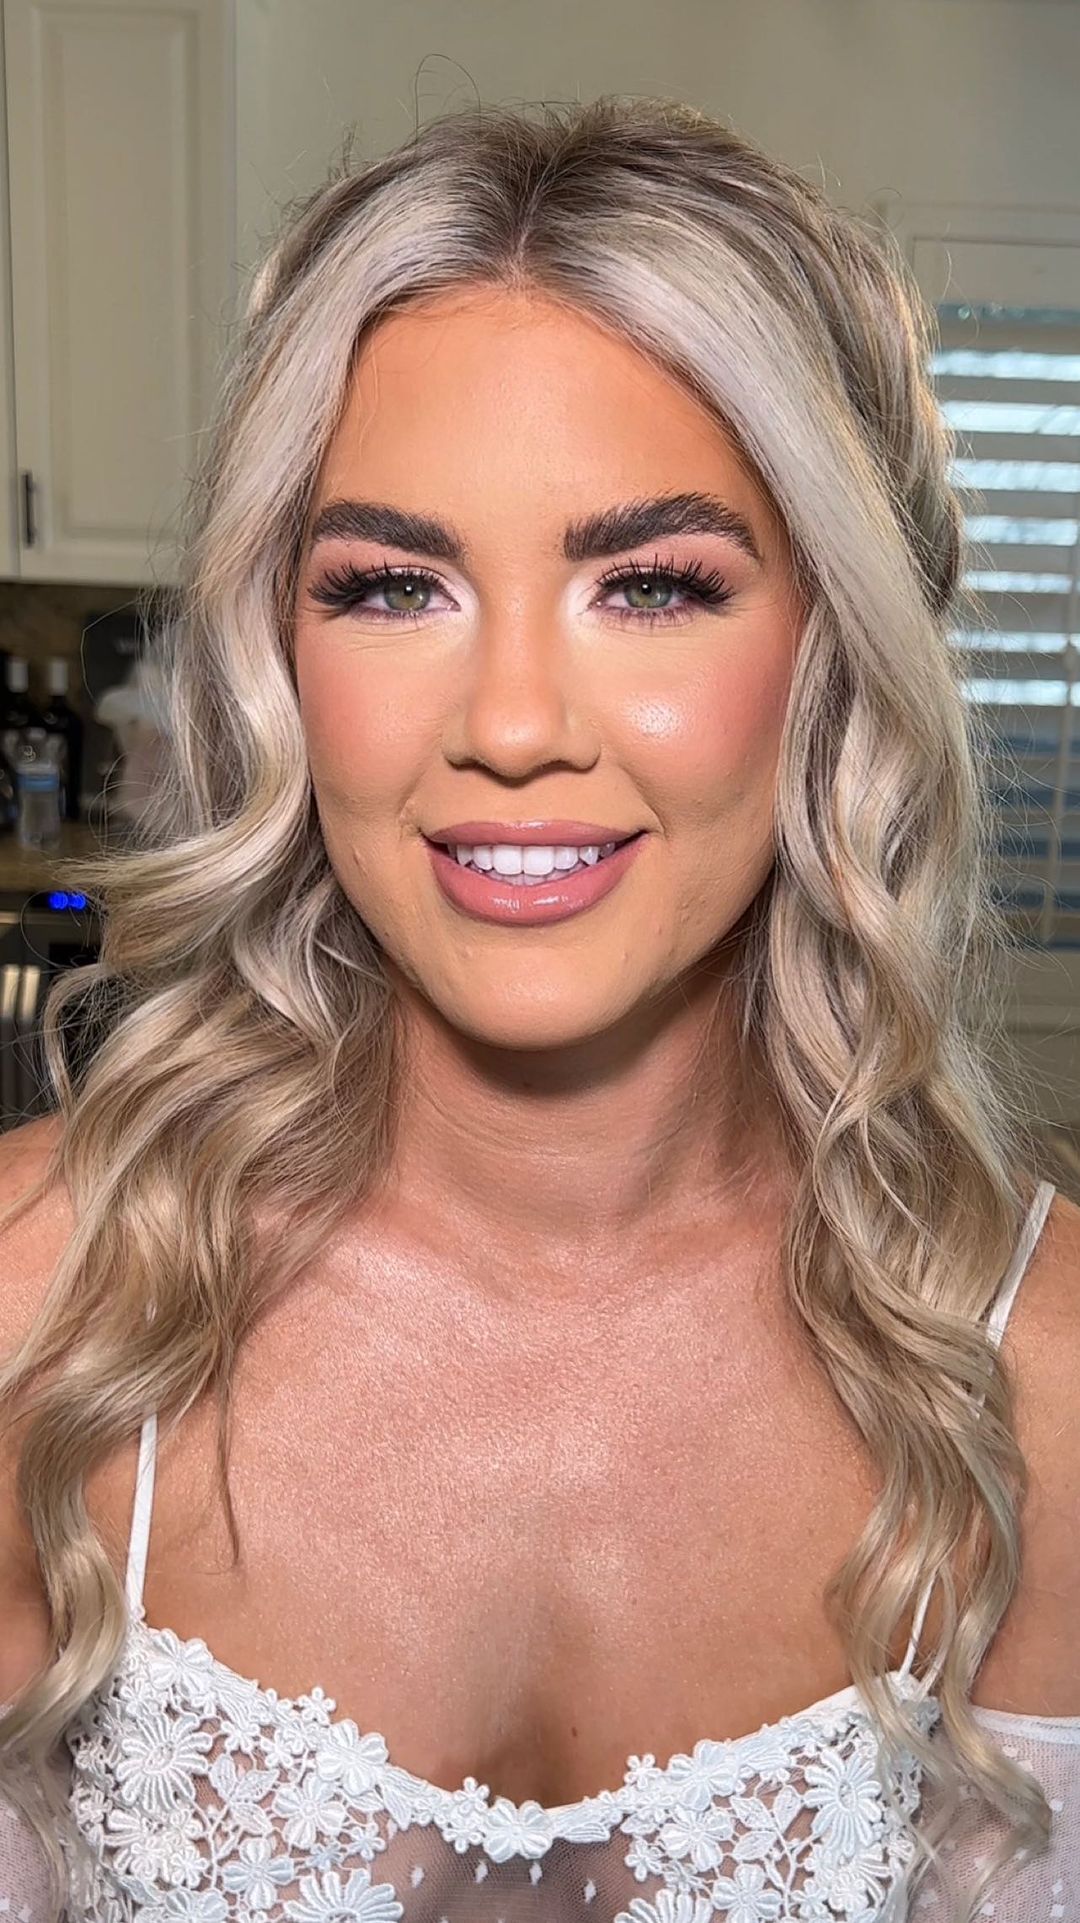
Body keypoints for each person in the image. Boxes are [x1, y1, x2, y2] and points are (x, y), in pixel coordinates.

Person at [0, 95, 1077, 1923]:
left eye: (650, 585)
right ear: (280, 655)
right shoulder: (45, 1312)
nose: (510, 725)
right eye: (392, 585)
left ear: (834, 653)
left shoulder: (1041, 1388)